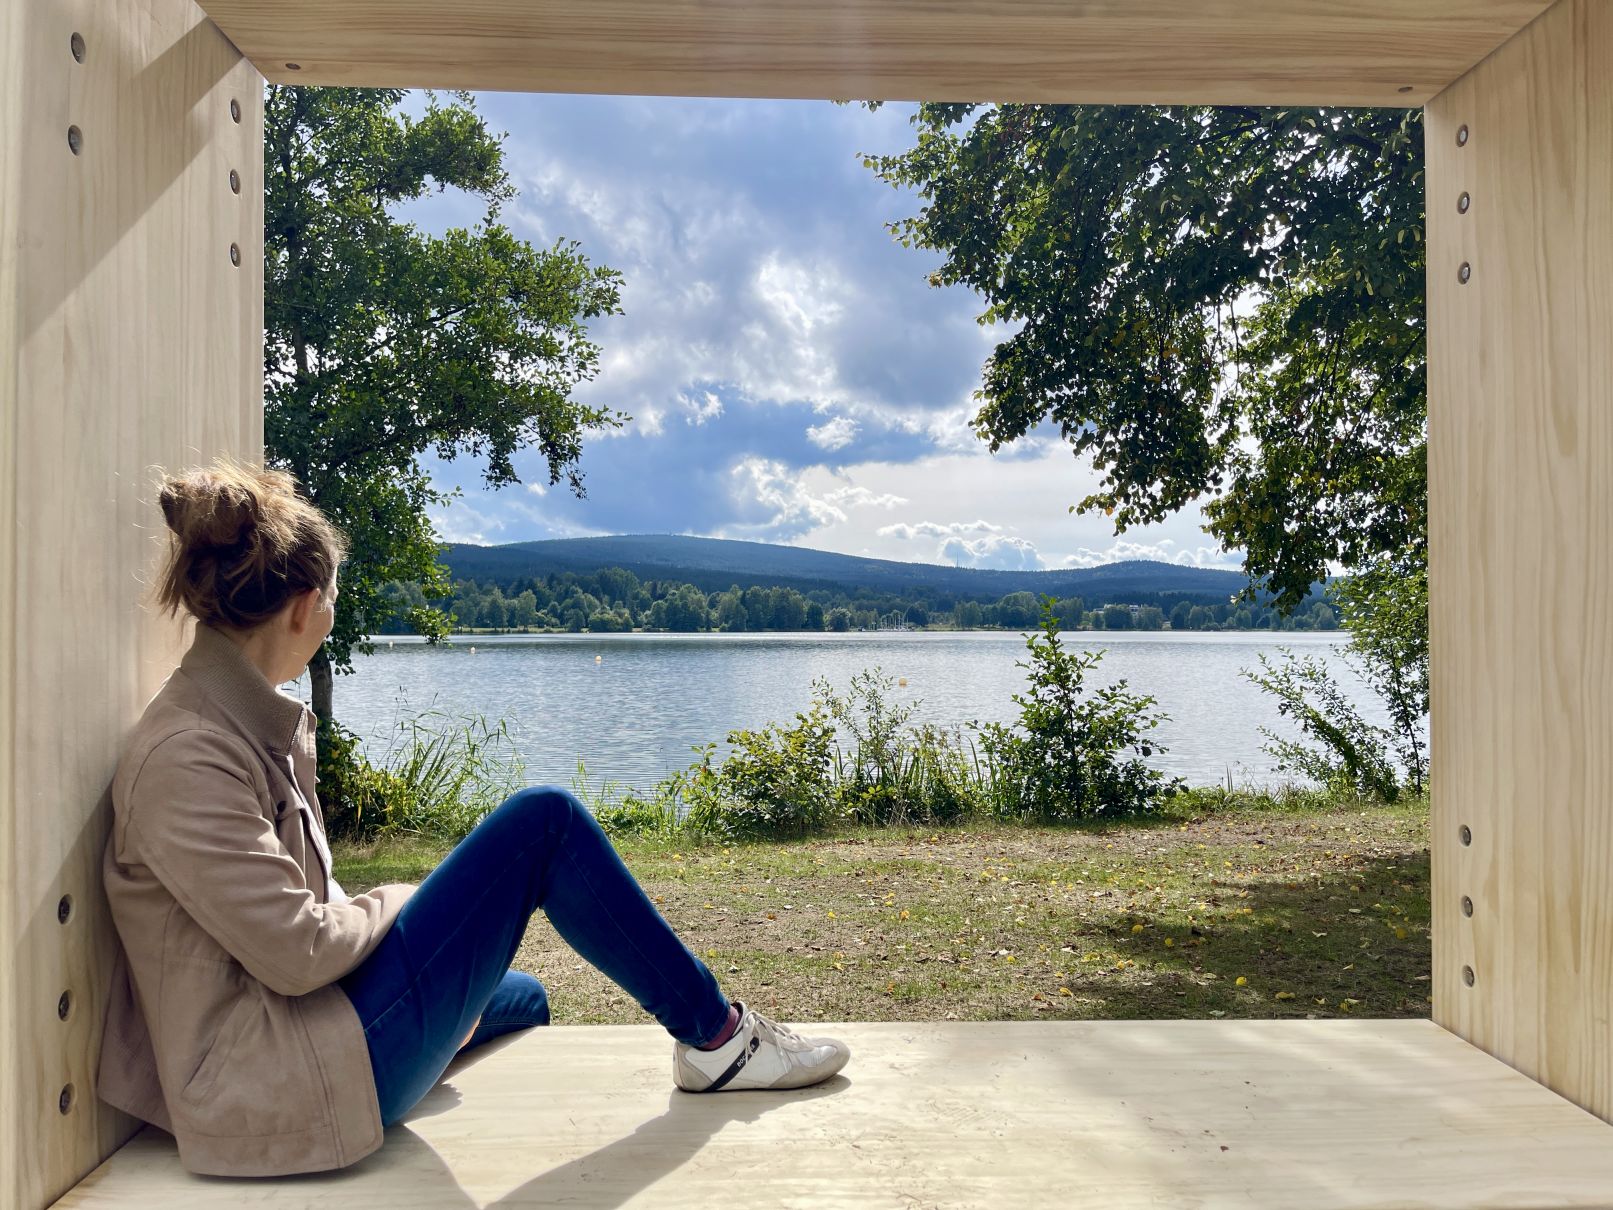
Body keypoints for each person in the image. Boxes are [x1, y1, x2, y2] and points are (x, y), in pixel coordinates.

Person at [94, 455, 849, 1179]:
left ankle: (434, 1045)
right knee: (544, 823)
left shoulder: (236, 722)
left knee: (522, 997)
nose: (331, 614)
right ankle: (722, 1042)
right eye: (333, 599)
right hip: (271, 1082)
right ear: (303, 608)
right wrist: (407, 896)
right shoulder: (189, 756)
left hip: (302, 1024)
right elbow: (298, 951)